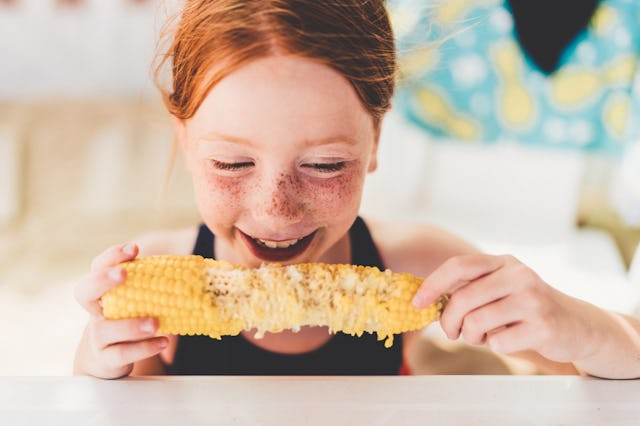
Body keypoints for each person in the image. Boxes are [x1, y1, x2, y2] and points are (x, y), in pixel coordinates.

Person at [73, 0, 640, 380]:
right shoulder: (147, 276)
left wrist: (580, 326)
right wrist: (100, 369)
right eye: (231, 162)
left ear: (374, 142)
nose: (275, 208)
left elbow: (621, 366)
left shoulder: (417, 267)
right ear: (187, 142)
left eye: (323, 164)